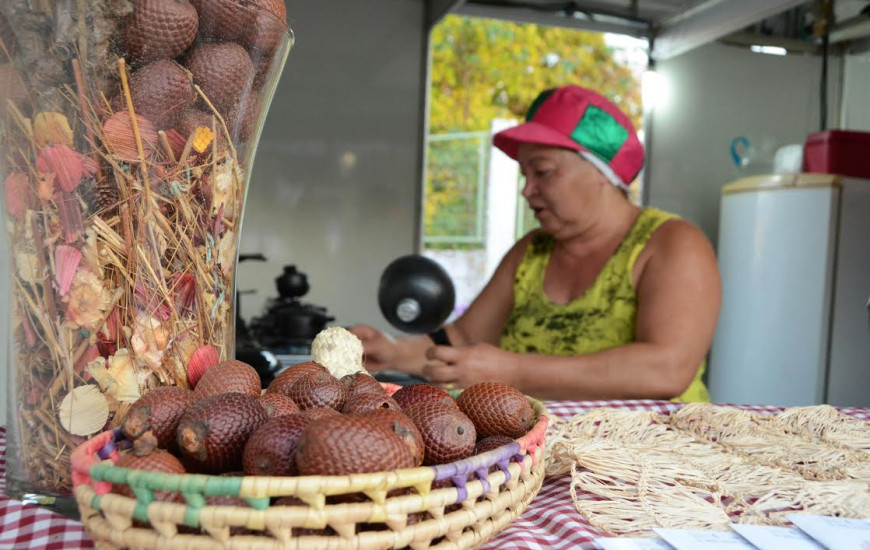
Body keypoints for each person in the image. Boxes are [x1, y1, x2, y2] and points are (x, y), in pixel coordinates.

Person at [351, 85, 721, 402]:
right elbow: (463, 340)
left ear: (600, 172)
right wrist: (393, 351)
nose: (527, 190)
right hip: (543, 460)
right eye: (525, 174)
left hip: (654, 464)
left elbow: (666, 369)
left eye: (542, 171)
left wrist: (515, 371)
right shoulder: (532, 251)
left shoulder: (671, 244)